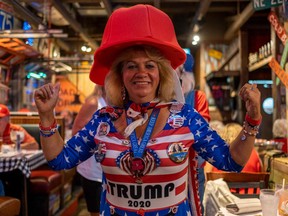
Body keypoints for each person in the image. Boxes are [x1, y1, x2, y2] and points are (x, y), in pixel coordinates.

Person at [33, 4, 262, 216]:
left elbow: (232, 161)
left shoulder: (185, 117)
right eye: (131, 66)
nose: (141, 72)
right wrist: (46, 116)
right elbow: (60, 160)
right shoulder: (103, 121)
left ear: (161, 75)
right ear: (120, 77)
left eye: (149, 66)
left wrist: (252, 120)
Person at [176, 53, 210, 213]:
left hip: (194, 169)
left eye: (179, 72)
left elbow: (201, 134)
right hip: (166, 170)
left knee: (194, 209)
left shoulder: (197, 97)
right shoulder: (158, 100)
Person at [73, 85, 106, 216]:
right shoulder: (94, 102)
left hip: (111, 170)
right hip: (94, 172)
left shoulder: (118, 103)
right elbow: (76, 133)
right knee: (97, 212)